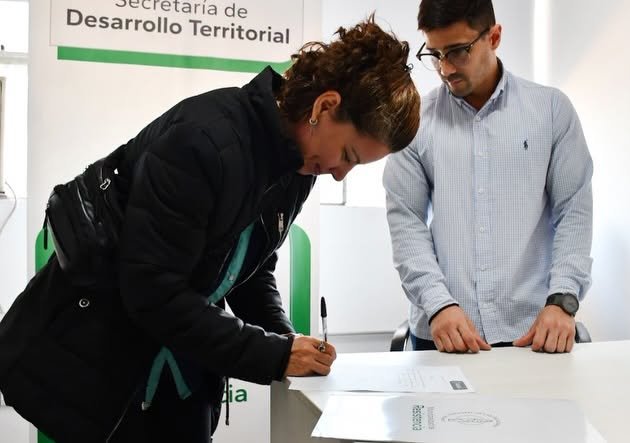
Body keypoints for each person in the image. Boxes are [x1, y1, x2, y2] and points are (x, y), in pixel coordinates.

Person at [0, 16, 420, 443]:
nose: (340, 173)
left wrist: (285, 338)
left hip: (179, 370)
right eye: (348, 155)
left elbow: (250, 268)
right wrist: (274, 355)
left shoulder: (299, 166)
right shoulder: (203, 141)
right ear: (324, 107)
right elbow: (152, 292)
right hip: (98, 360)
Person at [384, 0, 592, 355]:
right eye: (435, 54)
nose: (445, 68)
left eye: (458, 51)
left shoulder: (551, 110)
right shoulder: (416, 121)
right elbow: (407, 223)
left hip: (533, 333)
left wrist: (562, 300)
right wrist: (438, 304)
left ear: (494, 37)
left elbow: (574, 211)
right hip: (442, 331)